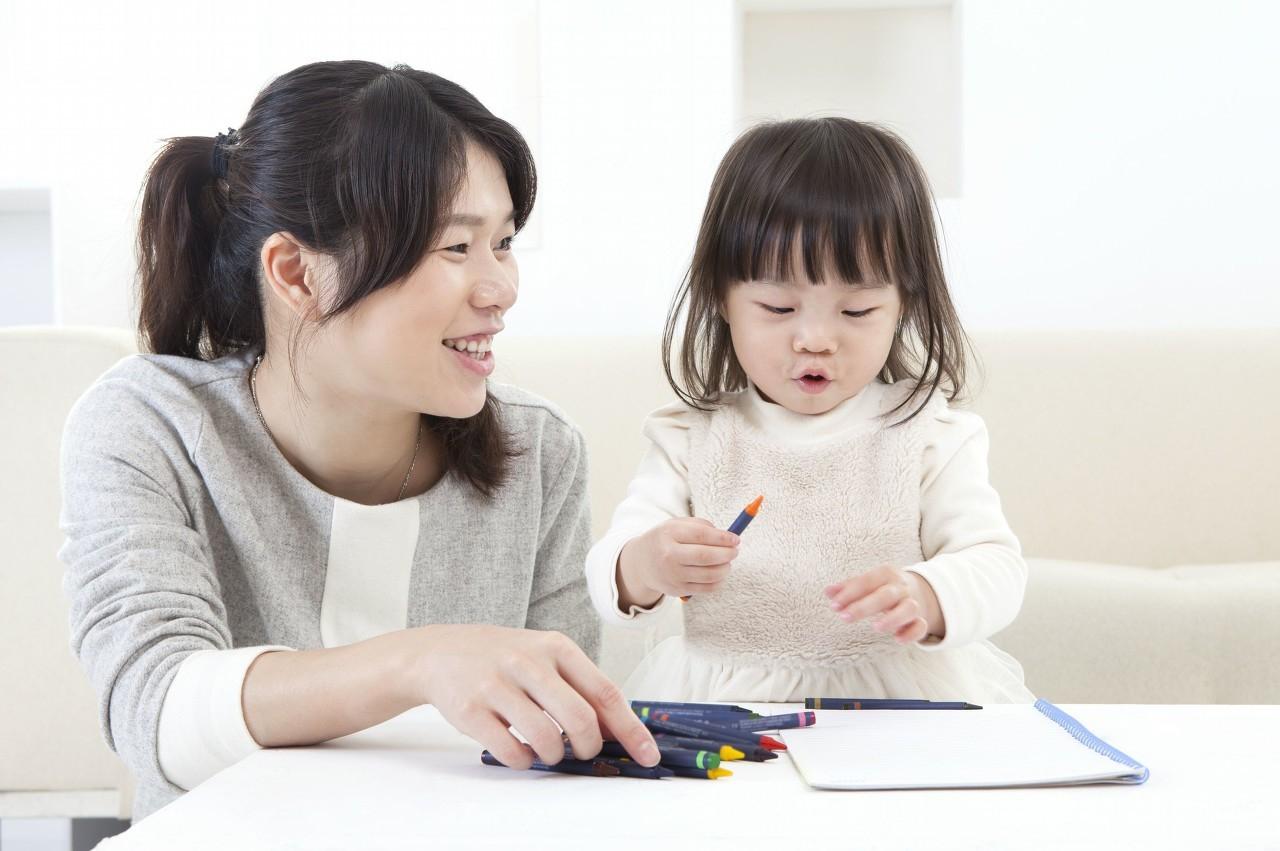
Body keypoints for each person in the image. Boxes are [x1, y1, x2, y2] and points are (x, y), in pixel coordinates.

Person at [58, 60, 659, 822]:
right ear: (296, 273)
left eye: (503, 243)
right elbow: (156, 713)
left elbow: (553, 741)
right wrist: (421, 661)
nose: (501, 289)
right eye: (454, 247)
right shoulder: (152, 424)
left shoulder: (539, 452)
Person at [585, 117, 1035, 704]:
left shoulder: (929, 433)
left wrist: (927, 594)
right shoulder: (691, 437)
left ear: (904, 303)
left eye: (857, 311)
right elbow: (611, 571)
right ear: (722, 296)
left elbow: (997, 567)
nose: (816, 339)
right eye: (777, 307)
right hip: (725, 701)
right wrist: (645, 564)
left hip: (893, 705)